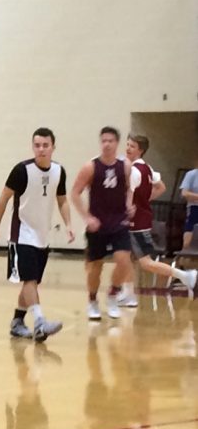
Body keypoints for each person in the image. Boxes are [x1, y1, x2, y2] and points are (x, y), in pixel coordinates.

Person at [0, 128, 72, 341]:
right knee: (30, 279)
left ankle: (17, 322)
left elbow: (62, 200)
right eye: (37, 145)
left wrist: (69, 224)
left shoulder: (58, 171)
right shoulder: (21, 171)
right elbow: (2, 200)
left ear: (53, 146)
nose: (41, 149)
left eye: (45, 145)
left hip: (42, 235)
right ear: (32, 146)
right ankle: (40, 322)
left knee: (31, 283)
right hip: (21, 233)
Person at [118, 134, 196, 304]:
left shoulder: (134, 171)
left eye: (132, 146)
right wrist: (145, 200)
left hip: (135, 223)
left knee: (145, 263)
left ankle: (184, 276)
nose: (128, 148)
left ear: (141, 150)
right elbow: (161, 187)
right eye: (128, 145)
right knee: (124, 256)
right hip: (141, 220)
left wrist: (128, 210)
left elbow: (129, 197)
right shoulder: (147, 168)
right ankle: (128, 293)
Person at [70, 127, 135, 321]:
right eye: (103, 141)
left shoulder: (125, 166)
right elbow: (75, 193)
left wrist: (130, 204)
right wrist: (87, 217)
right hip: (98, 223)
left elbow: (130, 189)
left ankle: (113, 295)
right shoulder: (90, 167)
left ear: (117, 143)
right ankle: (92, 301)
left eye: (111, 141)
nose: (106, 144)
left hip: (119, 221)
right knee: (95, 266)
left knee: (123, 261)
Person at [180, 158, 198, 249]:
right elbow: (184, 193)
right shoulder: (192, 174)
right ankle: (184, 258)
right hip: (195, 208)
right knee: (189, 239)